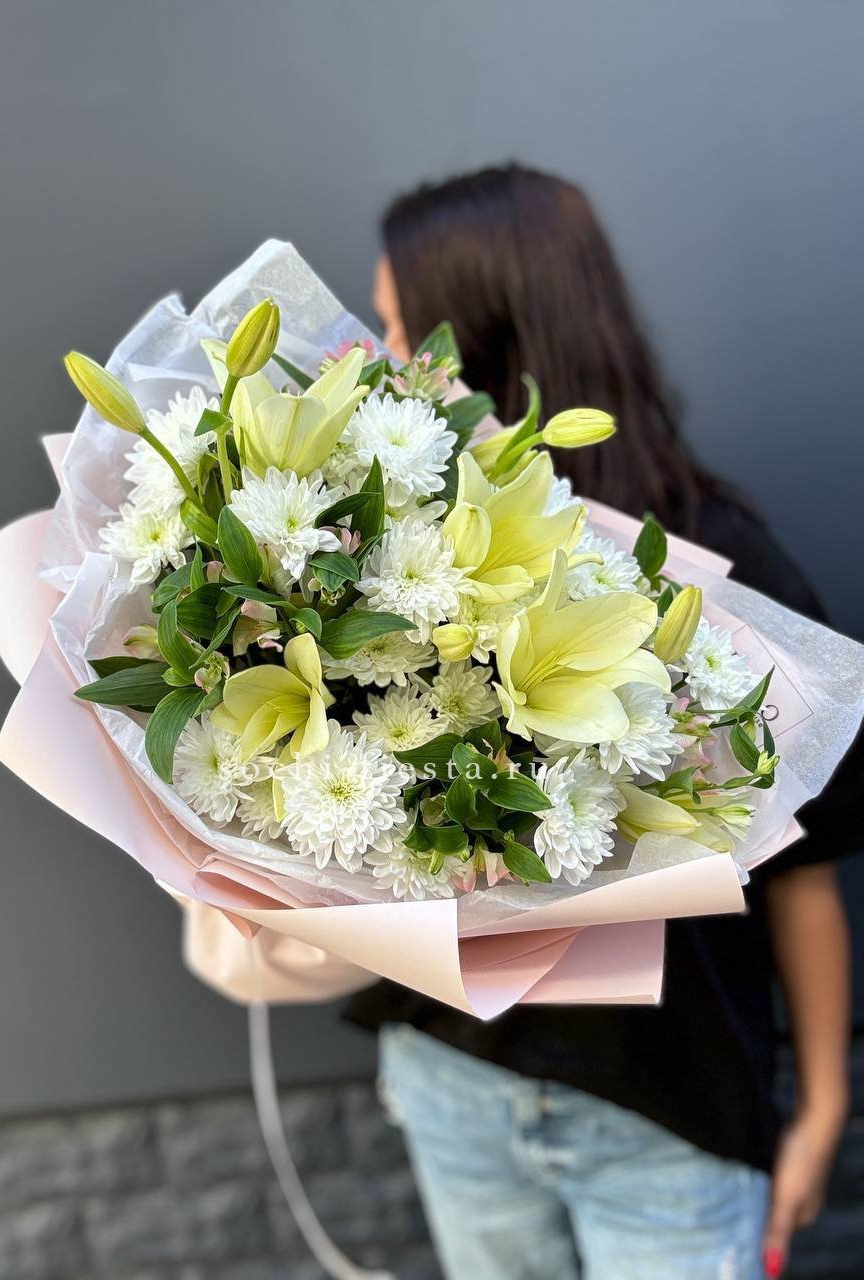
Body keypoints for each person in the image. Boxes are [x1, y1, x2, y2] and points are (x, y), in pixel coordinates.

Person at [345, 164, 859, 1280]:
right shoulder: (388, 562)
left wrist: (821, 1104)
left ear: (483, 335)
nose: (381, 360)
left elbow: (803, 869)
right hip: (456, 1078)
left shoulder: (718, 574)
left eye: (399, 329)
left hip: (665, 1114)